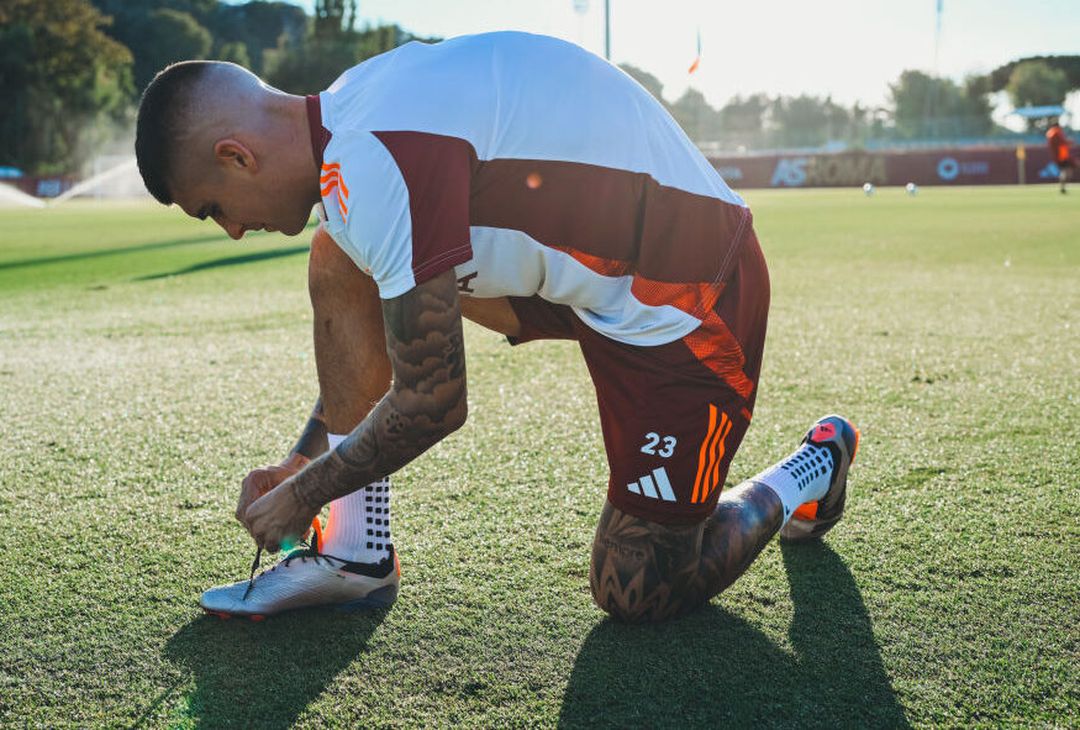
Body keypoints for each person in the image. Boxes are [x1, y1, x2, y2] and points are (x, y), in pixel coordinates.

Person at [134, 31, 859, 623]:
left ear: (237, 155)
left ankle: (807, 470)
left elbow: (433, 403)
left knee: (636, 586)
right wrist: (306, 460)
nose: (230, 230)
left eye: (212, 207)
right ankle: (357, 554)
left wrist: (307, 491)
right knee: (341, 249)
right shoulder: (353, 106)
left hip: (685, 297)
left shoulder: (377, 153)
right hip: (583, 268)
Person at [1046, 119, 1074, 194]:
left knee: (1065, 170)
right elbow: (1062, 142)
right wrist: (1069, 142)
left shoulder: (1050, 133)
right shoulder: (1056, 132)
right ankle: (1062, 187)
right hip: (1062, 155)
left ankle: (1062, 186)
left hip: (1057, 156)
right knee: (1065, 170)